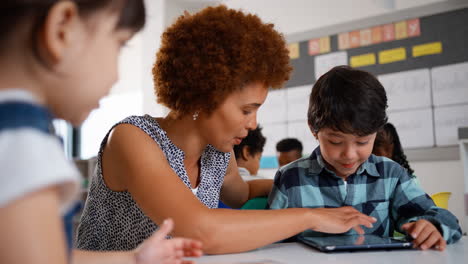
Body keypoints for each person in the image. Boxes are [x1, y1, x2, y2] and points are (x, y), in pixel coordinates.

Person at [76, 6, 376, 255]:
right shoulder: (132, 138)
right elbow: (200, 229)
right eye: (246, 110)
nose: (253, 123)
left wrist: (309, 181)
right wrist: (312, 216)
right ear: (204, 94)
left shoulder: (218, 155)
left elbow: (242, 192)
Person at [0, 1, 202, 263]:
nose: (117, 76)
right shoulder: (23, 141)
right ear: (63, 29)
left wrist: (134, 259)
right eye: (119, 45)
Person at [268, 66, 462, 251]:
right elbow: (268, 236)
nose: (349, 154)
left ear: (376, 132)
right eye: (335, 142)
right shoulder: (291, 178)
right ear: (313, 129)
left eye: (362, 142)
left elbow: (442, 217)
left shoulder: (390, 175)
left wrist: (432, 226)